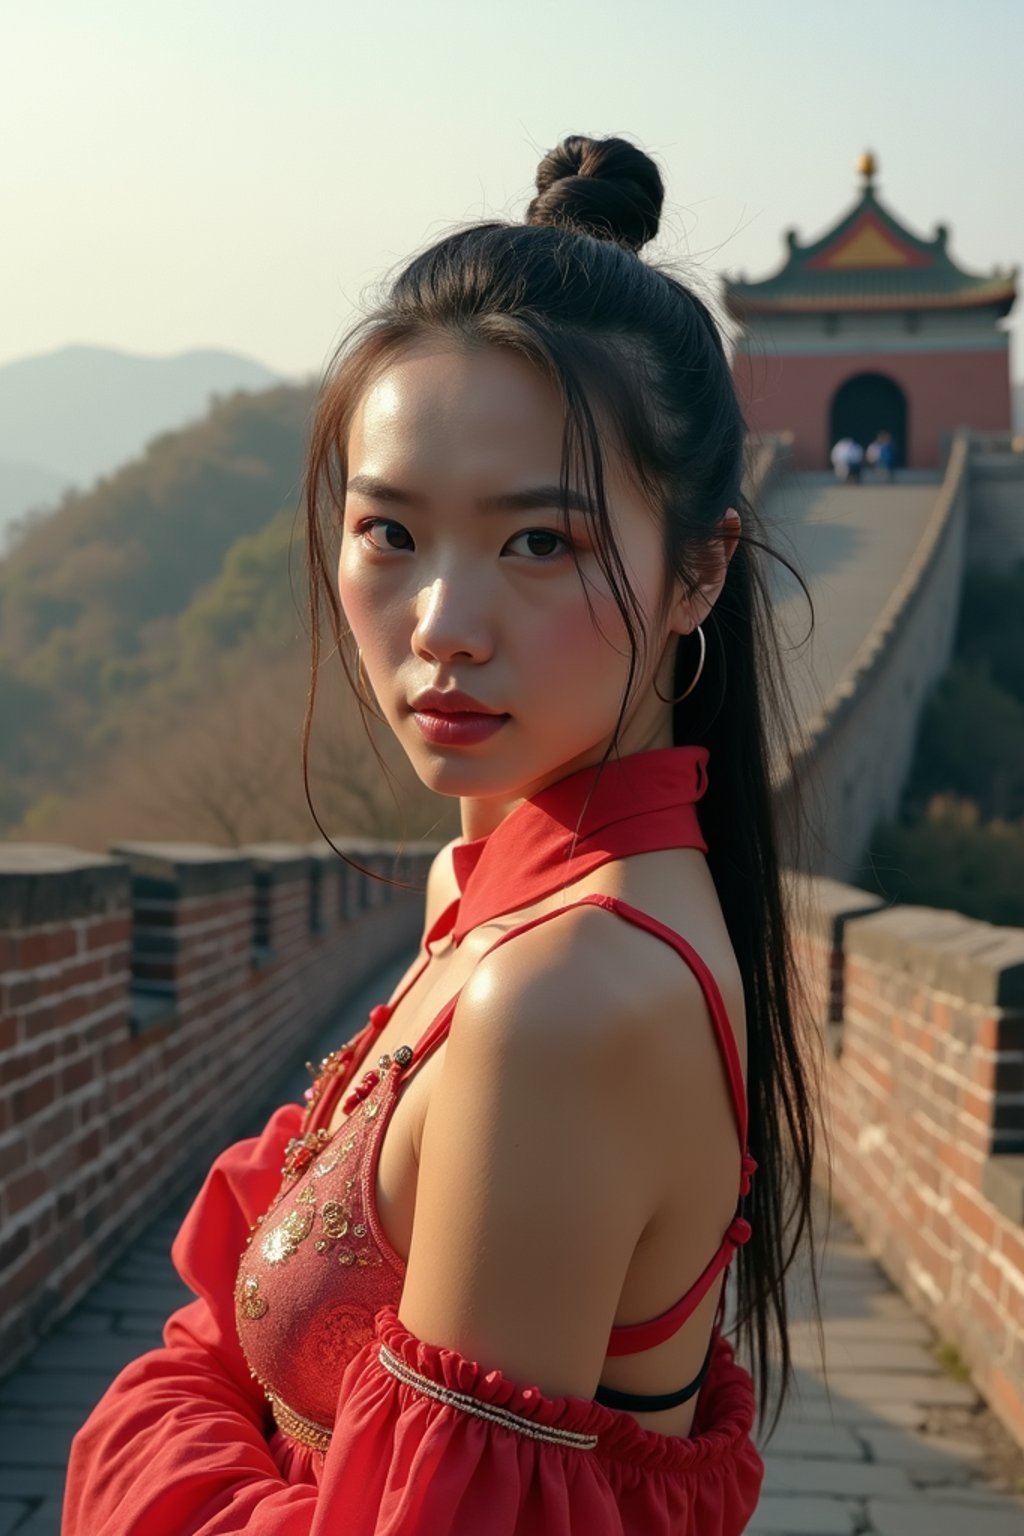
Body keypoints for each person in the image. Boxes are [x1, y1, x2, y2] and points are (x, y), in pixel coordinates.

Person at [62, 135, 825, 1535]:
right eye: (390, 534)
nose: (442, 629)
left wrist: (163, 1422)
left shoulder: (570, 1005)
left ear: (698, 569)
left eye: (540, 543)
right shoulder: (486, 895)